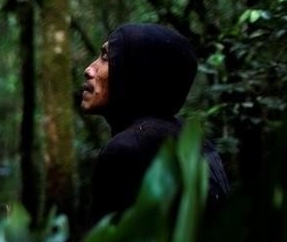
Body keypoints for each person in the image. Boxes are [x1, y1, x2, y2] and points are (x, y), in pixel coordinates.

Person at [80, 23, 229, 225]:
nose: (89, 69)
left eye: (105, 58)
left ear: (136, 71)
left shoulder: (125, 151)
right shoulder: (198, 142)